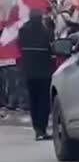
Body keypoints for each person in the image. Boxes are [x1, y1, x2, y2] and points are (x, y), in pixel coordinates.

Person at [17, 9, 54, 140]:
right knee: (43, 102)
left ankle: (38, 129)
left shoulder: (23, 31)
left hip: (29, 72)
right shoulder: (44, 32)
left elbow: (19, 46)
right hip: (44, 72)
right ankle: (42, 129)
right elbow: (51, 46)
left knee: (33, 101)